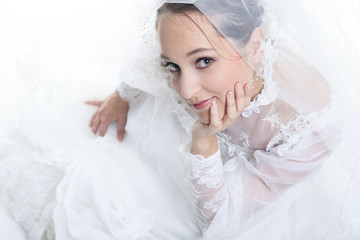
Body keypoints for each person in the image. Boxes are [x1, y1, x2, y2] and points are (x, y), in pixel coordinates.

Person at [1, 0, 360, 239]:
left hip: (216, 190)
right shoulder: (181, 46)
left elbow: (221, 220)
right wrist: (121, 95)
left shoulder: (310, 124)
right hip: (157, 131)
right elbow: (148, 58)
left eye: (204, 61)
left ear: (256, 44)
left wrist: (202, 142)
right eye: (172, 66)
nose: (186, 90)